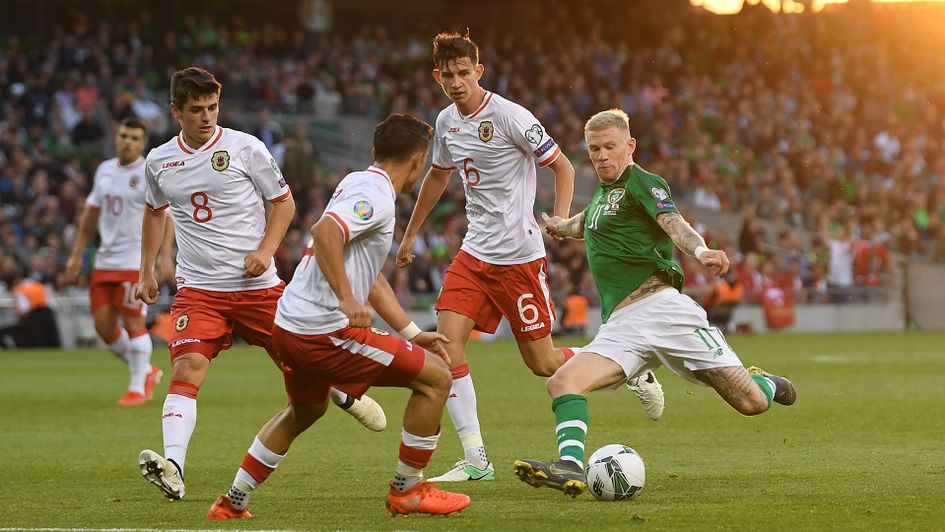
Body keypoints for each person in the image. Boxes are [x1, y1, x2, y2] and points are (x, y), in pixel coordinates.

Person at [396, 32, 664, 483]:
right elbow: (438, 177)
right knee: (445, 350)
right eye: (449, 75)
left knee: (542, 364)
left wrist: (559, 219)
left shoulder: (511, 116)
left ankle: (626, 366)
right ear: (437, 76)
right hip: (473, 255)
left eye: (465, 73)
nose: (457, 82)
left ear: (478, 71)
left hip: (519, 257)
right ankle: (476, 459)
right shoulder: (445, 122)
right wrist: (409, 235)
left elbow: (561, 165)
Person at [514, 109, 797, 497]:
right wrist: (559, 227)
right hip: (620, 325)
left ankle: (765, 382)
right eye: (594, 149)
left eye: (610, 147)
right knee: (562, 381)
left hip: (663, 311)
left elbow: (673, 223)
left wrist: (700, 250)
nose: (601, 155)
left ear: (629, 146)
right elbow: (584, 223)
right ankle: (569, 465)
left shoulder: (643, 182)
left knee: (749, 402)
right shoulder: (602, 196)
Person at [135, 67, 385, 502]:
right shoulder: (159, 161)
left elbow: (283, 204)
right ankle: (173, 466)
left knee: (305, 363)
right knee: (188, 369)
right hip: (200, 290)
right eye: (196, 110)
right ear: (176, 111)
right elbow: (155, 212)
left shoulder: (245, 148)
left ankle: (343, 393)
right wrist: (146, 269)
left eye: (212, 107)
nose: (207, 117)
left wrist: (267, 251)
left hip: (259, 289)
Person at [206, 114, 470, 519]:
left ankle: (231, 501)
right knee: (436, 377)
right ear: (418, 160)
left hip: (289, 325)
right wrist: (347, 300)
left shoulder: (355, 181)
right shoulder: (378, 197)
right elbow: (325, 232)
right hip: (323, 330)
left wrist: (412, 332)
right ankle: (408, 489)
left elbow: (367, 274)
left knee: (306, 411)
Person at [65, 117, 170, 406]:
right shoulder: (104, 170)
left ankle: (138, 387)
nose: (127, 141)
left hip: (133, 260)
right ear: (116, 136)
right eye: (124, 135)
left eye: (134, 138)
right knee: (104, 327)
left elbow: (166, 216)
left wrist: (163, 257)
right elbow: (91, 214)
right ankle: (146, 370)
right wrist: (77, 253)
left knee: (134, 320)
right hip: (105, 261)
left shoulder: (150, 171)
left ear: (143, 142)